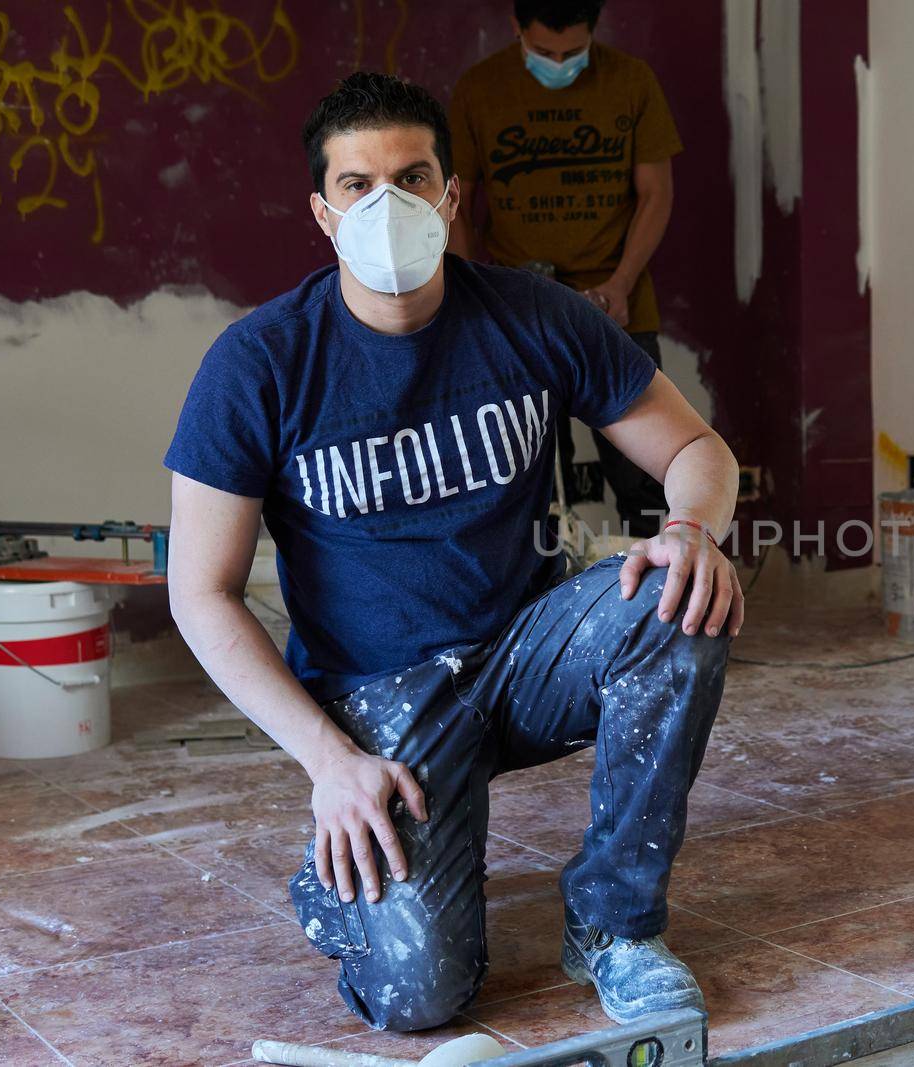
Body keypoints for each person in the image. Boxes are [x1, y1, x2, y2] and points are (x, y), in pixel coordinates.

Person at [164, 71, 741, 1032]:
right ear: (322, 210)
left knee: (676, 596)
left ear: (451, 194)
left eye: (413, 176)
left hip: (524, 654)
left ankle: (615, 925)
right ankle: (349, 879)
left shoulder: (532, 315)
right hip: (380, 689)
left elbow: (695, 450)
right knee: (419, 996)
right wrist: (327, 761)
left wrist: (690, 528)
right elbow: (201, 592)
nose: (388, 204)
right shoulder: (260, 364)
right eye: (358, 184)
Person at [447, 0, 679, 536]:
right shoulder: (480, 89)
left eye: (573, 52)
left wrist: (620, 284)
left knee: (642, 469)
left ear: (594, 32)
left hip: (617, 301)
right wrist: (472, 291)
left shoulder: (630, 81)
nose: (558, 62)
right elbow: (456, 199)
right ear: (516, 28)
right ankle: (540, 596)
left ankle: (649, 590)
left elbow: (656, 193)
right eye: (544, 52)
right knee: (529, 470)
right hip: (517, 303)